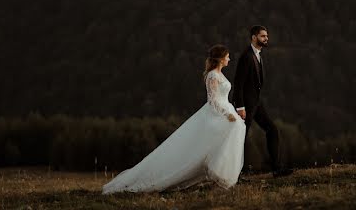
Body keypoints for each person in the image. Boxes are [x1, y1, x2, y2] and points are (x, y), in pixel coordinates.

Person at [102, 45, 246, 193]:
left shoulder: (220, 74)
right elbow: (213, 100)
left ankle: (220, 177)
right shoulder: (212, 76)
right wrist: (226, 114)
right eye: (227, 56)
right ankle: (215, 177)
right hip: (217, 113)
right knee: (212, 142)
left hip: (226, 109)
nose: (229, 59)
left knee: (236, 131)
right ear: (221, 59)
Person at [232, 25, 292, 177]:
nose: (266, 39)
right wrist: (240, 107)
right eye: (263, 36)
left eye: (266, 36)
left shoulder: (258, 54)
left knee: (272, 130)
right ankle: (234, 175)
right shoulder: (246, 56)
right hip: (245, 106)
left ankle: (277, 169)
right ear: (254, 37)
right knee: (240, 140)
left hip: (256, 104)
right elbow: (238, 83)